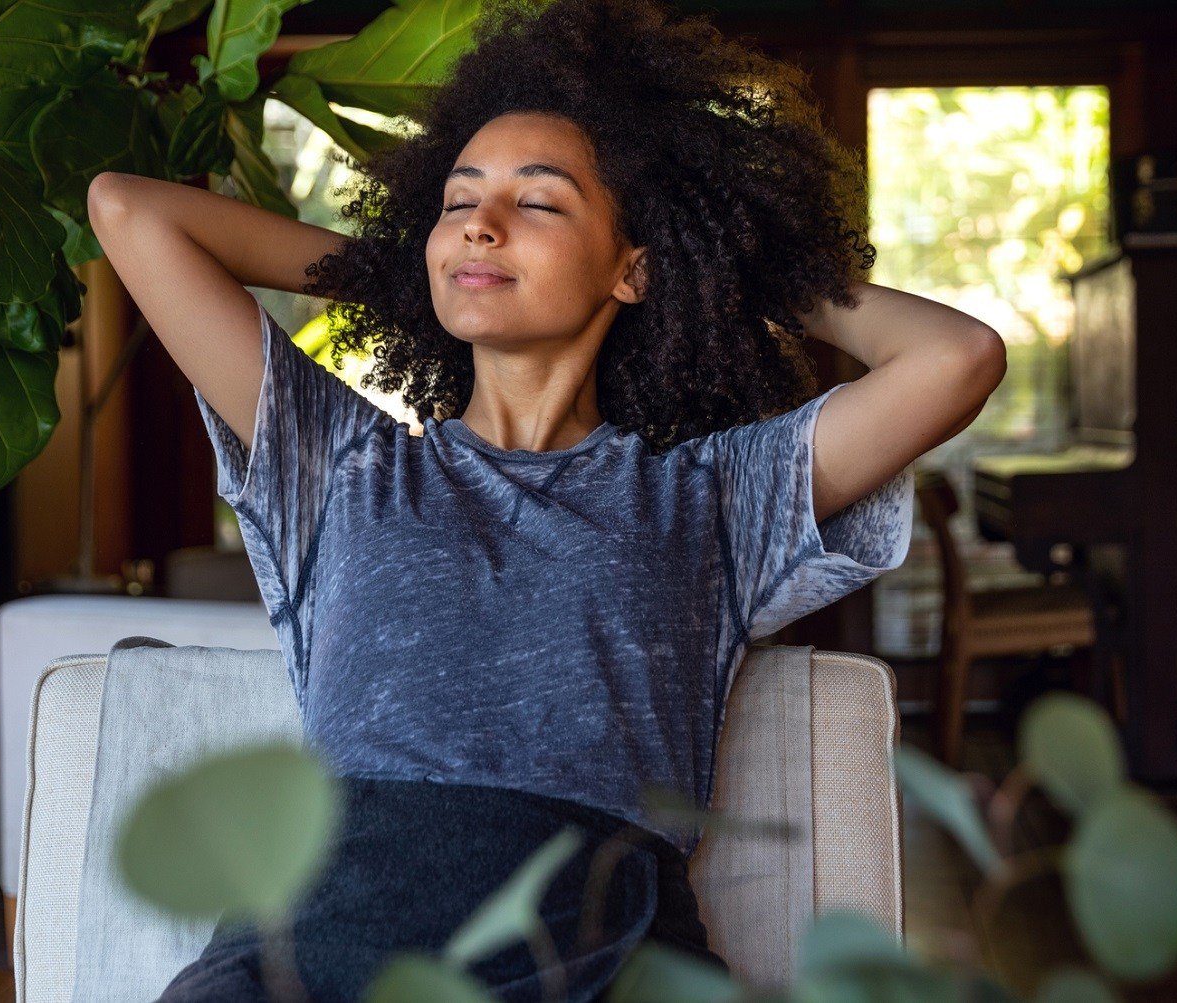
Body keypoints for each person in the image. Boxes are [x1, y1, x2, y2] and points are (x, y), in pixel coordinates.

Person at [87, 0, 1005, 998]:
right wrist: (410, 269)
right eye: (457, 200)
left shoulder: (710, 501)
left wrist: (733, 265)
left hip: (594, 955)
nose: (481, 221)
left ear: (633, 267)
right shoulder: (342, 463)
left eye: (541, 202)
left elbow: (958, 358)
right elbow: (131, 211)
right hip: (314, 947)